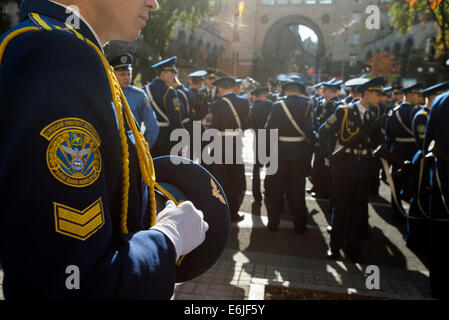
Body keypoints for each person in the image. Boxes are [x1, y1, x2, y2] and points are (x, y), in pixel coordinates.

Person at [0, 0, 208, 299]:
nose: (154, 3)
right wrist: (168, 240)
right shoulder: (59, 52)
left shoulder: (65, 45)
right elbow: (70, 278)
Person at [319, 77, 386, 263]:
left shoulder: (373, 116)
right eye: (378, 93)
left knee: (358, 210)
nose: (380, 97)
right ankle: (335, 247)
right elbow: (323, 132)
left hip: (363, 165)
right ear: (367, 93)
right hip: (343, 164)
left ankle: (353, 248)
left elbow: (379, 142)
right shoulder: (344, 111)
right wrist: (329, 155)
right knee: (340, 208)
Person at [264, 79, 316, 233]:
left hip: (279, 151)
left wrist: (267, 152)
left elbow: (269, 129)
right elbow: (310, 130)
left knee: (276, 188)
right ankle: (300, 225)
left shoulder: (277, 105)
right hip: (299, 152)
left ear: (286, 91)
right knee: (298, 189)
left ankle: (273, 223)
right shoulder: (307, 104)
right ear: (300, 91)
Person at [406, 81, 449, 255]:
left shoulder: (440, 102)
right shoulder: (423, 112)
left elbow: (428, 140)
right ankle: (415, 238)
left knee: (439, 228)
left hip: (438, 171)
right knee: (419, 199)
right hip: (432, 165)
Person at [206, 76, 250, 223]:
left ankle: (220, 212)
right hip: (236, 143)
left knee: (220, 179)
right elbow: (246, 124)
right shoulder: (244, 102)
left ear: (221, 88)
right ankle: (234, 212)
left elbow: (213, 127)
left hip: (220, 143)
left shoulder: (217, 105)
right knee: (236, 179)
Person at [384, 82, 426, 222]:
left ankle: (397, 211)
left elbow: (388, 133)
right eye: (417, 95)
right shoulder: (416, 112)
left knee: (396, 180)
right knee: (413, 181)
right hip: (413, 149)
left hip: (397, 149)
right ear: (409, 95)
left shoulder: (394, 111)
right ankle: (414, 213)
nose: (419, 97)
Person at [423, 91, 449, 299]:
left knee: (439, 235)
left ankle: (437, 286)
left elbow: (427, 144)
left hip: (442, 178)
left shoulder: (440, 101)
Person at [109, 52, 159, 149]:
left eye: (129, 74)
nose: (127, 77)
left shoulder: (139, 95)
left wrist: (142, 150)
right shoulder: (104, 93)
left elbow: (152, 127)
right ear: (112, 74)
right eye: (122, 74)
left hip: (130, 150)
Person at [143, 56, 184, 157]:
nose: (174, 76)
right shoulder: (170, 92)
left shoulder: (144, 89)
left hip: (148, 137)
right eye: (172, 72)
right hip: (166, 139)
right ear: (162, 73)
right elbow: (175, 120)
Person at [248, 87, 273, 203]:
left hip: (258, 138)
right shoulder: (271, 105)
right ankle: (269, 190)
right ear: (264, 95)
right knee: (270, 166)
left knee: (257, 167)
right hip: (271, 138)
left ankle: (256, 194)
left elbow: (250, 123)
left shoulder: (253, 108)